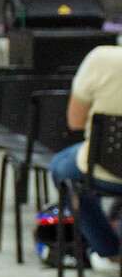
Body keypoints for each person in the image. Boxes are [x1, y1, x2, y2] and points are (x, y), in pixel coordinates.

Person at [51, 45, 122, 265]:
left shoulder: (101, 59)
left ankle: (109, 251)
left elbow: (75, 122)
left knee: (61, 168)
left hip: (102, 168)